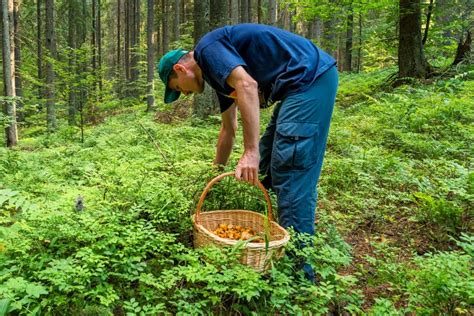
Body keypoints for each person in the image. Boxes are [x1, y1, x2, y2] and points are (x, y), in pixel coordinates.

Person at [158, 23, 338, 281]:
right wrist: (214, 176)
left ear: (180, 68)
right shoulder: (218, 74)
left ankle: (298, 274)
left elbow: (248, 86)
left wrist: (251, 151)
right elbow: (227, 131)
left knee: (290, 169)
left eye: (178, 88)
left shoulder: (208, 50)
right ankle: (272, 249)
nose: (184, 94)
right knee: (265, 171)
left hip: (310, 80)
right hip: (295, 88)